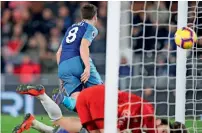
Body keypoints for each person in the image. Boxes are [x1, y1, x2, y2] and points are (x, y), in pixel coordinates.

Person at [15, 84, 187, 133]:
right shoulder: (146, 117)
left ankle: (39, 107)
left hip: (97, 101)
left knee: (65, 124)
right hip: (101, 104)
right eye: (164, 131)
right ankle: (46, 99)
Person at [56, 3, 102, 111]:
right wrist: (86, 67)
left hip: (62, 66)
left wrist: (62, 75)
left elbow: (58, 52)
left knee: (76, 101)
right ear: (95, 17)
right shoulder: (91, 28)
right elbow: (83, 46)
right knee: (100, 93)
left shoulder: (71, 28)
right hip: (77, 62)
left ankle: (63, 99)